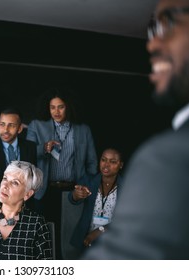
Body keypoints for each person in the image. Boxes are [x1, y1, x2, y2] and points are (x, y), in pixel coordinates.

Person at [83, 0, 189, 259]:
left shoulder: (169, 157)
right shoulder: (89, 183)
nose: (152, 43)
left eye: (168, 24)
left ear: (121, 165)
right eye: (153, 29)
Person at [26, 86, 98, 259]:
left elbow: (92, 162)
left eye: (61, 107)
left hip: (72, 192)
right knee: (45, 238)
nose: (56, 111)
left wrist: (86, 188)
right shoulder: (37, 125)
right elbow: (27, 155)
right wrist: (43, 148)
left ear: (69, 107)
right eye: (52, 107)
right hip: (45, 191)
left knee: (69, 239)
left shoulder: (83, 129)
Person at [0, 160, 53, 260]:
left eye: (15, 183)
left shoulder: (37, 224)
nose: (5, 185)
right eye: (5, 178)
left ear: (27, 194)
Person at [68, 148, 124, 258]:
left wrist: (100, 230)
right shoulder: (89, 180)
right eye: (103, 160)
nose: (106, 165)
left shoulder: (127, 186)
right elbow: (71, 198)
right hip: (87, 240)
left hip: (115, 241)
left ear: (121, 165)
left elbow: (126, 219)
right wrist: (76, 195)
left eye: (113, 162)